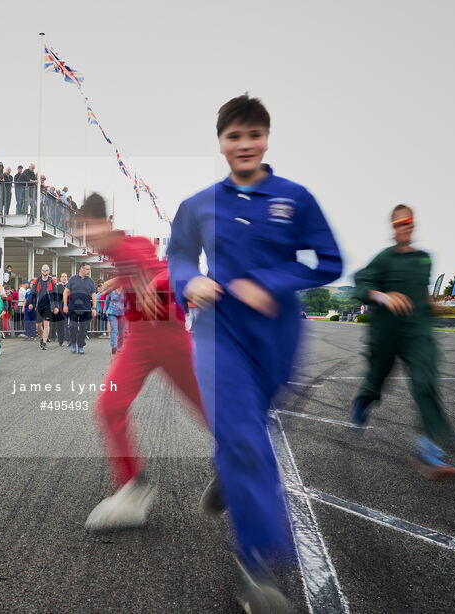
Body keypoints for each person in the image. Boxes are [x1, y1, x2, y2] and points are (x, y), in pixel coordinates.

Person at [167, 94, 342, 612]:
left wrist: (272, 281)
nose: (244, 145)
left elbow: (327, 260)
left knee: (247, 429)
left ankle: (228, 469)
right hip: (219, 331)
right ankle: (257, 565)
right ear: (220, 143)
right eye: (233, 137)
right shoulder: (198, 203)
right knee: (244, 435)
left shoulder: (296, 197)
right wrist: (190, 280)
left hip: (277, 332)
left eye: (253, 135)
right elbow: (177, 255)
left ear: (267, 138)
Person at [77, 194, 208, 532]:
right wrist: (120, 281)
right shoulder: (116, 250)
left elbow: (165, 268)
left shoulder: (131, 247)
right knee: (109, 406)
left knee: (207, 407)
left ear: (106, 223)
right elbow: (137, 266)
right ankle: (133, 487)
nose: (86, 237)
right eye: (81, 231)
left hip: (167, 334)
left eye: (90, 228)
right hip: (139, 337)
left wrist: (156, 283)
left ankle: (243, 457)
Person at [351, 204, 455, 479]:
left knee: (426, 381)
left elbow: (422, 291)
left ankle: (428, 449)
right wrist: (383, 296)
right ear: (393, 227)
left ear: (414, 225)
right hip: (386, 334)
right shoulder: (384, 259)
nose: (405, 226)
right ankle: (364, 397)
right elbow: (360, 286)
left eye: (409, 222)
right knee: (376, 380)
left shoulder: (424, 259)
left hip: (417, 333)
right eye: (400, 223)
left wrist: (435, 305)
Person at [63, 263, 97, 354]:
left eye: (89, 269)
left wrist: (94, 308)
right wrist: (65, 305)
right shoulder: (72, 279)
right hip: (73, 308)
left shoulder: (90, 281)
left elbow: (93, 294)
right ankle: (73, 342)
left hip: (86, 309)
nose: (88, 271)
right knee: (72, 326)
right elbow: (65, 292)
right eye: (87, 269)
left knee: (84, 328)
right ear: (81, 269)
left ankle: (81, 345)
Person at [28, 264, 60, 350]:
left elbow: (55, 294)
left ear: (49, 271)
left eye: (46, 270)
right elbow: (32, 293)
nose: (45, 271)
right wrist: (30, 303)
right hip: (39, 305)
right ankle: (42, 338)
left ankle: (45, 342)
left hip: (48, 306)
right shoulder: (37, 280)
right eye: (43, 270)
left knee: (46, 324)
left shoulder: (52, 281)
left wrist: (56, 306)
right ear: (41, 271)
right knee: (38, 325)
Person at [102, 284, 127, 354]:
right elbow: (107, 300)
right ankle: (114, 347)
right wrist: (104, 310)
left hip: (122, 313)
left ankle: (120, 346)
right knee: (114, 330)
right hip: (112, 312)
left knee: (121, 331)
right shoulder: (111, 289)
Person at [51, 273, 69, 346]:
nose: (64, 278)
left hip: (68, 307)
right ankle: (60, 341)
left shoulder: (69, 286)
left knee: (67, 324)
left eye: (65, 276)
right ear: (60, 278)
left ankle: (69, 340)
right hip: (59, 307)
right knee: (59, 325)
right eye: (62, 276)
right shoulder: (57, 286)